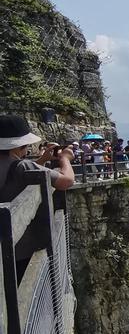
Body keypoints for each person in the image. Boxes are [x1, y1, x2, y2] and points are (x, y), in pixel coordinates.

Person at [0, 116, 75, 282]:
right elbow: (66, 181)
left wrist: (42, 160)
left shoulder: (17, 165)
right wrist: (65, 159)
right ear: (19, 146)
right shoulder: (23, 166)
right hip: (18, 252)